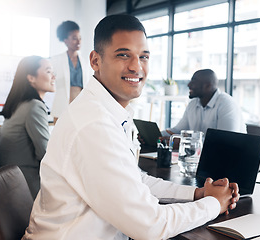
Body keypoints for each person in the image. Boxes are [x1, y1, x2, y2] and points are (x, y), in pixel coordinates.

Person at [22, 15, 239, 240]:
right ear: (95, 61)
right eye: (123, 55)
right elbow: (150, 226)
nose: (137, 66)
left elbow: (135, 180)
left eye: (143, 56)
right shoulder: (93, 123)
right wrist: (214, 203)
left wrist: (197, 193)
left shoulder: (108, 111)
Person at [0, 56, 55, 198]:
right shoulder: (34, 106)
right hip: (22, 182)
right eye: (48, 71)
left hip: (8, 180)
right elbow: (45, 154)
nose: (54, 76)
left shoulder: (21, 104)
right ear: (31, 78)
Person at [161, 69, 243, 137]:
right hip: (200, 155)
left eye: (194, 81)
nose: (189, 85)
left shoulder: (227, 104)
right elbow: (177, 131)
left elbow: (225, 141)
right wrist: (157, 135)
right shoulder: (193, 104)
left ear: (207, 86)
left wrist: (185, 141)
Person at [51, 20, 90, 123]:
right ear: (65, 40)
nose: (78, 41)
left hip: (80, 106)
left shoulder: (85, 62)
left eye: (80, 38)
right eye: (74, 38)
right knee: (60, 136)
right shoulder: (56, 60)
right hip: (62, 105)